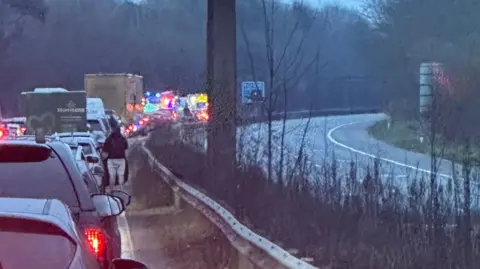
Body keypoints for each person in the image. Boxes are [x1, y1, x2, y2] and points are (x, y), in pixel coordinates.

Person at [102, 126, 128, 191]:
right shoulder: (123, 139)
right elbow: (125, 147)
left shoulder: (109, 139)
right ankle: (121, 190)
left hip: (111, 159)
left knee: (112, 175)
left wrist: (104, 159)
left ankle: (111, 190)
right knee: (121, 175)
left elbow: (105, 151)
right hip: (121, 159)